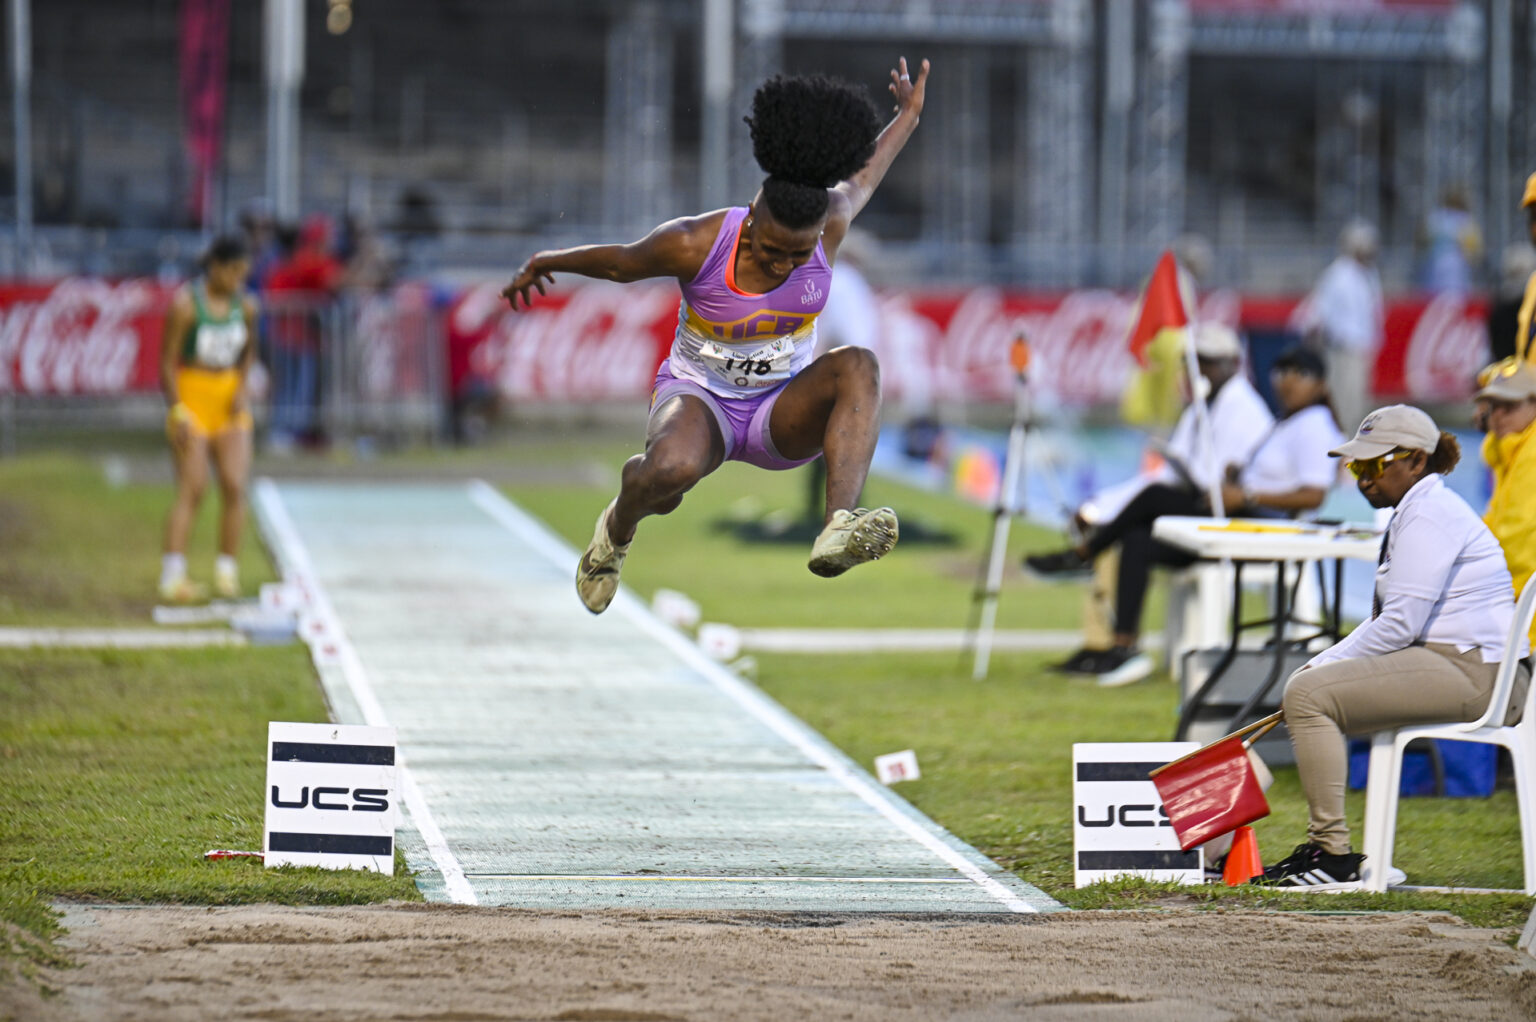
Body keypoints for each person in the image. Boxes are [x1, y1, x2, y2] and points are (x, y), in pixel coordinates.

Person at [502, 57, 931, 614]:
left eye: (797, 255)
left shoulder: (831, 222)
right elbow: (622, 264)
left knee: (859, 365)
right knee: (668, 477)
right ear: (751, 217)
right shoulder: (694, 243)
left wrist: (909, 117)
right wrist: (546, 260)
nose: (782, 264)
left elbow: (865, 175)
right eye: (770, 249)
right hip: (701, 396)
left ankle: (837, 526)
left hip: (779, 405)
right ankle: (614, 533)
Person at [1257, 405, 1530, 888]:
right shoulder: (1419, 508)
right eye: (1356, 467)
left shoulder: (1428, 514)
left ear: (1417, 461)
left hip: (1475, 676)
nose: (1364, 479)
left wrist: (1317, 668)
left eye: (1375, 465)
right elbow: (1394, 625)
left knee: (1308, 696)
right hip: (1461, 664)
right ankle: (1332, 854)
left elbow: (1398, 625)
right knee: (1312, 694)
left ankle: (1332, 857)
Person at [1024, 323, 1274, 686]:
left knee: (1152, 501)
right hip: (1202, 514)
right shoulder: (1203, 408)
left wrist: (1181, 472)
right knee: (1137, 538)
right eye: (1193, 362)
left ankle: (1082, 555)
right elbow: (1167, 476)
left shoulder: (1245, 410)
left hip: (1234, 521)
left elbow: (1219, 485)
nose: (1197, 371)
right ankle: (1120, 645)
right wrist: (1103, 504)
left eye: (1205, 362)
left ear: (1232, 363)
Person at [158, 235, 259, 602]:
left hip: (228, 400)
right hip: (193, 397)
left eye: (243, 273)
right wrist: (178, 410)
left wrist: (242, 388)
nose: (238, 279)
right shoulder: (186, 306)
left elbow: (249, 352)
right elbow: (167, 361)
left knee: (234, 484)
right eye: (232, 271)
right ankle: (173, 575)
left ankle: (227, 573)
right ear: (214, 267)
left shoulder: (247, 306)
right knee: (193, 487)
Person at [1292, 219, 1383, 433]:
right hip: (1342, 348)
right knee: (1343, 401)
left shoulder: (1368, 275)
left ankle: (1352, 439)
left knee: (1358, 402)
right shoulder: (1338, 274)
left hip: (1360, 346)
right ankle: (1340, 442)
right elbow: (1320, 310)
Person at [1476, 361, 1536, 647]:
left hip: (1524, 618)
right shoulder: (1511, 447)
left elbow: (1518, 544)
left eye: (1508, 406)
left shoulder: (1531, 453)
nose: (1497, 416)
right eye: (1492, 406)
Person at [1415, 186, 1483, 296]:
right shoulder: (1466, 221)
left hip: (1434, 267)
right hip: (1457, 268)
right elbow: (1475, 251)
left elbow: (1421, 240)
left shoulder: (1435, 219)